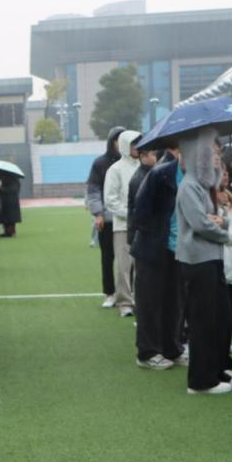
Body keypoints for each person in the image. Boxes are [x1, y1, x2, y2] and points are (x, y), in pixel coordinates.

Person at [174, 128, 232, 395]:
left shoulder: (204, 185)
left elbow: (214, 219)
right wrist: (226, 234)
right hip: (197, 260)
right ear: (195, 154)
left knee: (219, 317)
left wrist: (220, 222)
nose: (216, 156)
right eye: (210, 151)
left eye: (217, 151)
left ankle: (216, 370)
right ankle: (200, 381)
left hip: (211, 257)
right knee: (203, 321)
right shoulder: (189, 185)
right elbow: (201, 224)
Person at [130, 145, 185, 370]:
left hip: (180, 250)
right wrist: (159, 232)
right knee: (150, 302)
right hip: (153, 248)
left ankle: (172, 348)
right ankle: (148, 352)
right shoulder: (160, 174)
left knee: (175, 302)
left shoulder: (200, 177)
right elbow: (139, 213)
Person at [86, 126, 126, 305]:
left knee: (128, 260)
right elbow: (93, 190)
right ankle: (110, 293)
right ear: (112, 142)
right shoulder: (100, 163)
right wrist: (98, 213)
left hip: (127, 219)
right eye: (118, 140)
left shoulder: (133, 161)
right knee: (107, 257)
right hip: (108, 218)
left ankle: (128, 293)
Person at [103, 130, 141, 317]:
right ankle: (125, 302)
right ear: (125, 145)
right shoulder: (115, 169)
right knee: (124, 267)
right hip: (123, 226)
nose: (137, 148)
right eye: (134, 144)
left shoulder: (145, 166)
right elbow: (110, 200)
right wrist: (131, 215)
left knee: (142, 267)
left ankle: (140, 301)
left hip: (143, 226)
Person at [0, 170, 22, 237]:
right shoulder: (8, 179)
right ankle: (7, 231)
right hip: (7, 201)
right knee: (6, 218)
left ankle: (10, 232)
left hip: (11, 202)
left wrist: (1, 189)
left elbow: (13, 189)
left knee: (10, 219)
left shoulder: (13, 180)